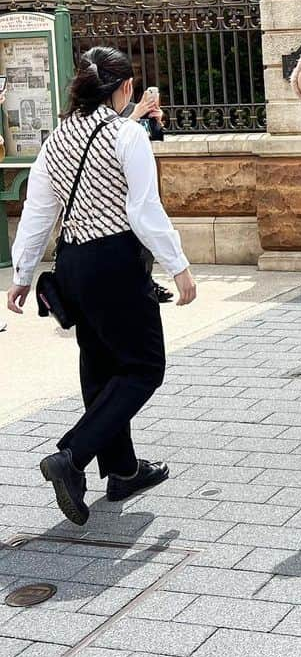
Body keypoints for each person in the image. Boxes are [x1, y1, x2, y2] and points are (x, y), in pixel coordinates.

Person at [7, 47, 196, 526]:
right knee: (143, 366)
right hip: (115, 262)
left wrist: (22, 273)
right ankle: (71, 456)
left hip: (73, 264)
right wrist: (179, 265)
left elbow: (38, 213)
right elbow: (143, 211)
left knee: (101, 369)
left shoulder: (55, 140)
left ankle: (124, 470)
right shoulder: (127, 135)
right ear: (125, 88)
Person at [123, 86, 174, 304]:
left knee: (145, 237)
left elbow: (155, 138)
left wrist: (157, 121)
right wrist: (134, 116)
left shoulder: (137, 110)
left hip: (141, 182)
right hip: (117, 188)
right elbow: (110, 138)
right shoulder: (107, 116)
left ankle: (146, 282)